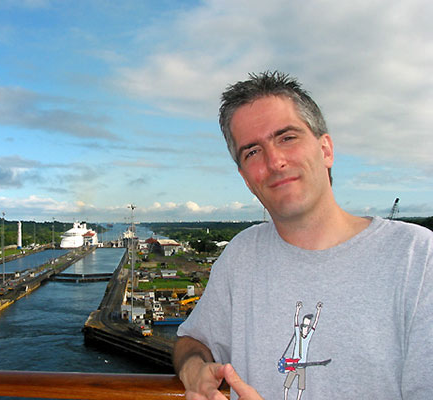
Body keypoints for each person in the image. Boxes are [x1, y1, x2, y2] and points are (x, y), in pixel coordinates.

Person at [173, 71, 433, 399]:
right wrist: (193, 369)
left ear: (325, 150)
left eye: (287, 137)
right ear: (245, 178)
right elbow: (192, 341)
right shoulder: (241, 255)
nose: (274, 161)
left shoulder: (418, 258)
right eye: (252, 151)